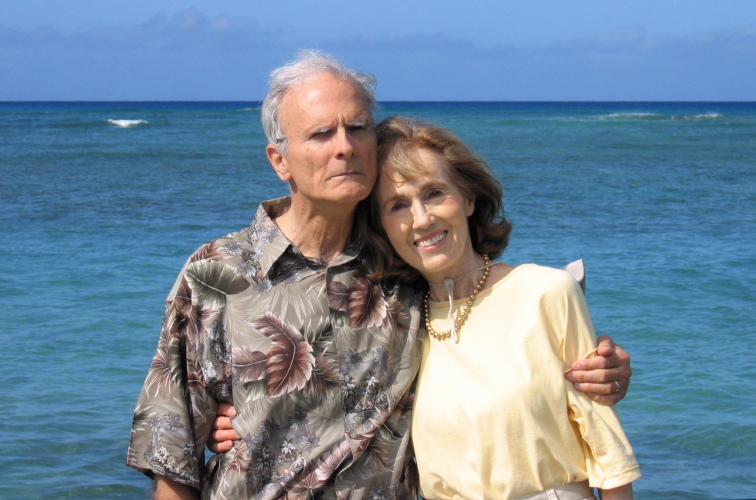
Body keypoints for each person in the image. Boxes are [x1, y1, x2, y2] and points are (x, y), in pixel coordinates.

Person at [128, 50, 632, 500]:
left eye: (358, 127)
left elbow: (501, 330)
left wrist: (599, 369)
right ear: (280, 160)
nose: (344, 146)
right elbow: (172, 452)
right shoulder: (215, 273)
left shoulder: (403, 267)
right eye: (322, 134)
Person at [366, 116, 641, 499]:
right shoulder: (398, 320)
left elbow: (608, 455)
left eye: (433, 193)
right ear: (381, 227)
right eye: (398, 205)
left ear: (468, 197)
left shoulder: (547, 291)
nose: (422, 219)